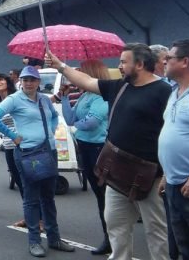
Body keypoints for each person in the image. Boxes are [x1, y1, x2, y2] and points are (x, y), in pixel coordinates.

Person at [46, 43, 171, 260]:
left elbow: (173, 133)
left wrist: (169, 173)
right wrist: (61, 66)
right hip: (117, 172)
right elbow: (86, 80)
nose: (119, 66)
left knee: (156, 231)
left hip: (151, 175)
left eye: (124, 62)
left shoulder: (165, 91)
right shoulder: (120, 86)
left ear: (140, 64)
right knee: (116, 225)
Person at [0, 66, 76, 257]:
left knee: (48, 198)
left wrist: (51, 131)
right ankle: (34, 241)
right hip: (28, 153)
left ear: (38, 82)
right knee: (31, 199)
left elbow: (53, 116)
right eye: (25, 80)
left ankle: (54, 239)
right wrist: (13, 135)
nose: (28, 83)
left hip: (48, 151)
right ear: (21, 82)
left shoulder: (44, 99)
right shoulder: (14, 99)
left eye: (32, 80)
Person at [59, 60, 111, 255]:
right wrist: (64, 97)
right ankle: (109, 236)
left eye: (80, 72)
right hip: (85, 147)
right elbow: (70, 118)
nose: (76, 76)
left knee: (104, 195)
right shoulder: (84, 95)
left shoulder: (100, 96)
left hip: (98, 148)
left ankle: (111, 237)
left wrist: (74, 127)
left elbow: (92, 122)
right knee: (100, 196)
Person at [159, 39, 189, 258]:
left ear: (185, 61)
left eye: (169, 58)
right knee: (185, 248)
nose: (164, 61)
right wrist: (166, 174)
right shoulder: (174, 92)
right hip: (175, 185)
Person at [0, 73, 22, 222]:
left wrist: (16, 137)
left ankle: (39, 219)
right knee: (20, 182)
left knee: (27, 183)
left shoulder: (16, 99)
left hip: (21, 145)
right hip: (8, 147)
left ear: (8, 82)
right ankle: (31, 217)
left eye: (0, 79)